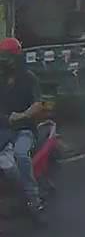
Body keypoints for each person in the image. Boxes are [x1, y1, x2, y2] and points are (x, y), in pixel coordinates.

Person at [0, 37, 46, 218]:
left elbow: (38, 104)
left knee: (20, 155)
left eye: (8, 57)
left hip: (24, 130)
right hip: (3, 129)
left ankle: (33, 198)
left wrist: (23, 115)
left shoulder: (29, 78)